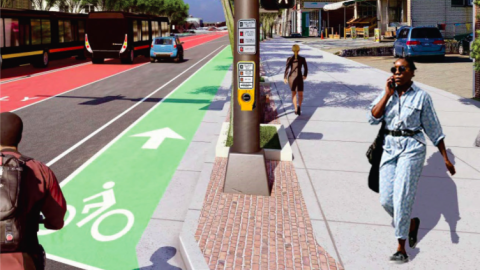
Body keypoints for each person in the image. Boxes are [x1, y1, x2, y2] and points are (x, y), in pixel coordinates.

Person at [368, 58, 456, 264]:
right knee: (386, 200)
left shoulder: (422, 97)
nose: (397, 72)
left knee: (402, 197)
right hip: (389, 148)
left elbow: (434, 129)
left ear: (412, 73)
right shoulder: (387, 93)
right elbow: (372, 117)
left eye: (402, 69)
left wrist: (445, 158)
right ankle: (411, 224)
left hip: (412, 148)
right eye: (394, 69)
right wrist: (387, 95)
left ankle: (401, 248)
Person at [0, 112, 67, 270]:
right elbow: (57, 217)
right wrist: (50, 223)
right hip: (22, 258)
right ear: (20, 138)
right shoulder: (39, 169)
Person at [284, 44, 308, 115]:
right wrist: (305, 75)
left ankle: (295, 109)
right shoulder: (302, 59)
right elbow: (306, 68)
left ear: (292, 50)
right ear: (299, 50)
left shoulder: (289, 59)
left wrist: (285, 77)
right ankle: (299, 106)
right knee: (300, 94)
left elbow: (287, 69)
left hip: (291, 78)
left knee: (294, 94)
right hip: (299, 77)